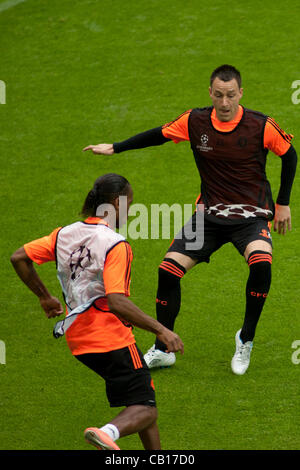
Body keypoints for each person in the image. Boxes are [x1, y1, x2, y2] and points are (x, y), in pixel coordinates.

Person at [83, 65, 297, 376]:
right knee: (168, 271)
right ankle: (163, 348)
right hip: (207, 216)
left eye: (231, 96)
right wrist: (115, 147)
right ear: (211, 93)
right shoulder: (195, 121)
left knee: (261, 262)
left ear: (241, 94)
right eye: (219, 95)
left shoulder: (260, 125)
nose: (225, 103)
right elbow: (157, 134)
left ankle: (245, 338)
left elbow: (290, 155)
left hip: (250, 217)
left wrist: (283, 204)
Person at [10, 173, 184, 451]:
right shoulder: (116, 244)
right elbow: (115, 301)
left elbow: (19, 257)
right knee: (147, 409)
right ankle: (106, 433)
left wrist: (45, 298)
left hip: (78, 339)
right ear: (117, 203)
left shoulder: (64, 234)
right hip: (111, 339)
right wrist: (161, 330)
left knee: (140, 404)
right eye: (130, 203)